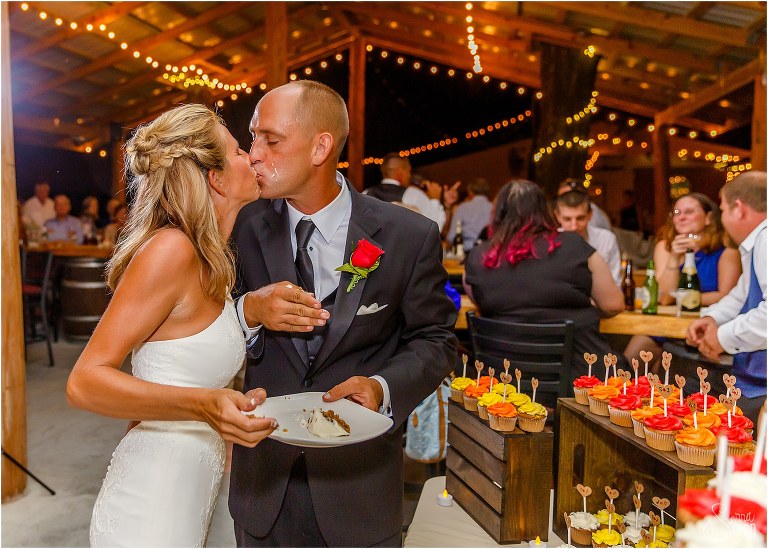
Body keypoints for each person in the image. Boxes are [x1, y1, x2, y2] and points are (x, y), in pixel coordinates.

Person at [230, 80, 458, 547]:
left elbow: (436, 340)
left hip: (360, 490)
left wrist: (382, 386)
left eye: (270, 140)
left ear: (321, 147)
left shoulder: (407, 236)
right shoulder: (240, 226)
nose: (253, 153)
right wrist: (248, 311)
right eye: (253, 138)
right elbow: (199, 323)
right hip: (265, 483)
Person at [66, 104, 276, 547]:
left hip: (185, 493)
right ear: (215, 177)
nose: (252, 158)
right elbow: (84, 382)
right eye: (240, 151)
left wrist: (228, 405)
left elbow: (167, 376)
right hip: (152, 504)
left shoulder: (209, 258)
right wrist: (203, 405)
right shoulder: (171, 251)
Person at [464, 179, 624, 383]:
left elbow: (481, 302)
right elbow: (613, 304)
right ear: (546, 211)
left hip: (506, 384)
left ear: (498, 214)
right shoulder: (575, 246)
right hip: (579, 385)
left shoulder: (477, 257)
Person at [686, 172, 766, 425]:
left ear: (739, 209)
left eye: (722, 209)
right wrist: (711, 318)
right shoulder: (755, 242)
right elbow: (742, 294)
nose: (722, 218)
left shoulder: (765, 239)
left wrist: (722, 337)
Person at [624, 192, 741, 363]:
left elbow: (726, 295)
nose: (682, 217)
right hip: (665, 327)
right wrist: (673, 259)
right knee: (630, 361)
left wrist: (685, 298)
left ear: (708, 218)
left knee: (674, 371)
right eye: (677, 213)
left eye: (689, 212)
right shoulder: (665, 246)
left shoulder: (726, 251)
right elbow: (663, 298)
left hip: (706, 325)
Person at [554, 190, 622, 286]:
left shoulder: (606, 240)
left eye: (580, 218)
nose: (574, 226)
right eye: (567, 219)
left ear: (590, 215)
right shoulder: (550, 243)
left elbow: (615, 283)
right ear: (558, 216)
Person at [363, 152, 447, 230]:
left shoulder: (366, 193)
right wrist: (435, 199)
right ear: (400, 172)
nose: (409, 176)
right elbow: (434, 228)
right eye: (408, 171)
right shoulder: (412, 195)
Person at [446, 177, 493, 251]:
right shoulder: (494, 208)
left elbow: (451, 236)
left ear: (470, 192)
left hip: (467, 252)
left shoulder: (462, 208)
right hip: (488, 253)